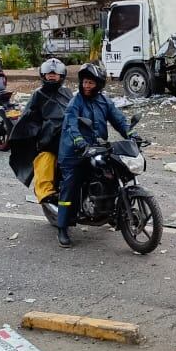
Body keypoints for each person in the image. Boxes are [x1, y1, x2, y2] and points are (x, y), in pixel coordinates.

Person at [56, 62, 131, 247]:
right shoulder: (75, 102)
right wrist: (79, 142)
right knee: (71, 185)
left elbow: (119, 119)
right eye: (84, 82)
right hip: (74, 152)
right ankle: (62, 227)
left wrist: (132, 133)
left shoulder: (104, 101)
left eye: (90, 83)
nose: (86, 86)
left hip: (96, 148)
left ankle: (110, 211)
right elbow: (71, 125)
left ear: (98, 84)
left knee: (112, 174)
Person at [8, 58, 72, 203]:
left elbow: (75, 110)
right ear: (43, 75)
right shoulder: (38, 94)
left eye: (55, 74)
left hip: (69, 134)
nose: (52, 76)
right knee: (46, 156)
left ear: (61, 76)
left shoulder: (67, 92)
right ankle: (45, 192)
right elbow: (28, 118)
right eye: (49, 74)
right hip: (49, 138)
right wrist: (42, 132)